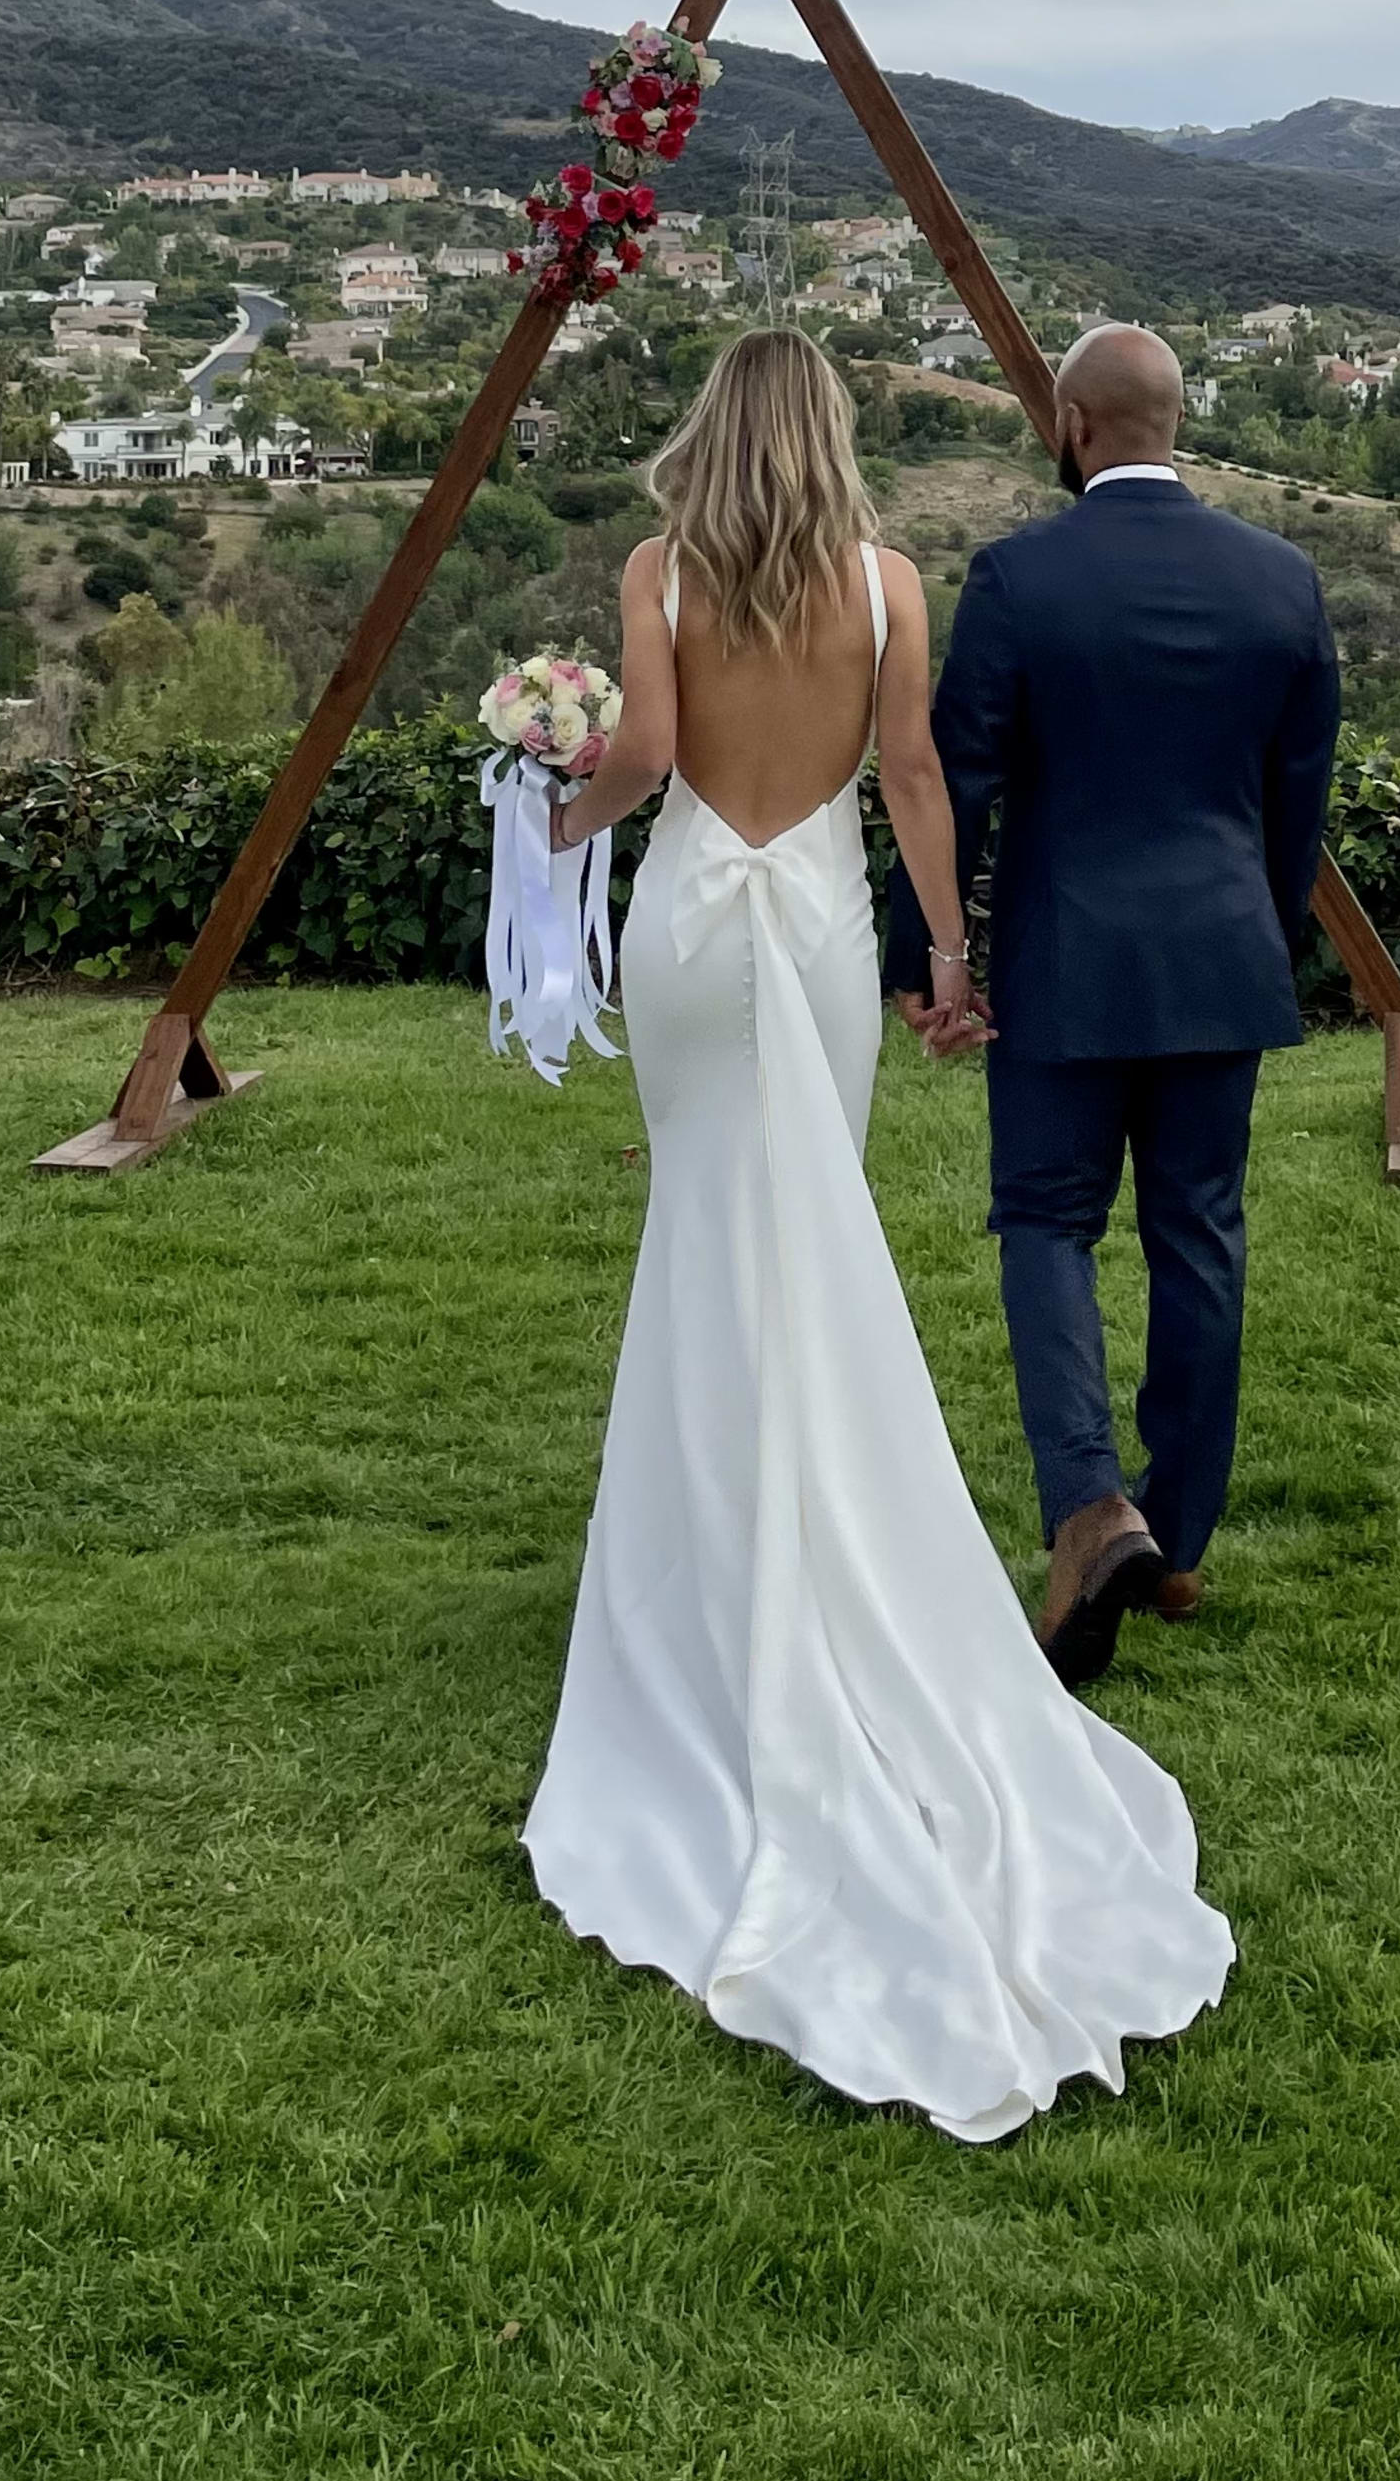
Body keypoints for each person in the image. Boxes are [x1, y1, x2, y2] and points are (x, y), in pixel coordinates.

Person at [521, 326, 1232, 2140]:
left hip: (690, 923)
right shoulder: (891, 582)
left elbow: (655, 756)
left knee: (707, 1230)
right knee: (807, 1234)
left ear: (709, 435)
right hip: (825, 935)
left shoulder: (657, 568)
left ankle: (707, 1576)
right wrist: (954, 961)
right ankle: (819, 1554)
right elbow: (915, 781)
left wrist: (552, 804)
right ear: (831, 437)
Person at [889, 323, 1342, 1686]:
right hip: (1222, 961)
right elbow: (1296, 800)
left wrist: (926, 957)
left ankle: (1092, 1508)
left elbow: (954, 777)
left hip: (1062, 964)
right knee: (1200, 1233)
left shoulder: (1021, 579)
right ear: (1174, 419)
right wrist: (1254, 934)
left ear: (1073, 425)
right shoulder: (1283, 580)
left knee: (1046, 1222)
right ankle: (1179, 1535)